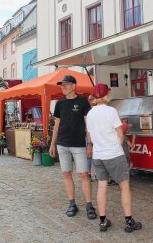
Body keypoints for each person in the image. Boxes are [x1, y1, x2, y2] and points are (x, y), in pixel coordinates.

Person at [86, 83, 142, 233]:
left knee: (102, 186)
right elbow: (121, 134)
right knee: (124, 186)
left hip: (98, 156)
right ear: (106, 95)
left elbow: (89, 136)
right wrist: (117, 145)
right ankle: (129, 221)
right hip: (114, 154)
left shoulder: (90, 113)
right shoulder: (111, 111)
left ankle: (103, 221)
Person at [49, 75, 97, 219]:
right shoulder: (60, 104)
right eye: (61, 85)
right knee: (66, 174)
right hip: (62, 144)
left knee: (83, 175)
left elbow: (88, 125)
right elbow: (56, 125)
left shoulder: (82, 102)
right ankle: (72, 204)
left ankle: (89, 205)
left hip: (78, 145)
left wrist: (90, 144)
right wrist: (52, 143)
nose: (62, 87)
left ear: (73, 86)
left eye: (66, 84)